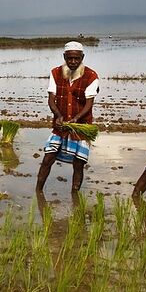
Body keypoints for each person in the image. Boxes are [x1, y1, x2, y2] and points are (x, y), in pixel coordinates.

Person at [36, 40, 99, 193]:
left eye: (76, 58)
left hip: (81, 126)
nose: (73, 62)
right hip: (60, 125)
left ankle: (75, 195)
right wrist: (57, 115)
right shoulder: (56, 73)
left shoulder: (91, 76)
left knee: (78, 164)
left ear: (82, 57)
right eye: (69, 58)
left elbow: (89, 103)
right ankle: (38, 192)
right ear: (64, 56)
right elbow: (51, 99)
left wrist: (76, 119)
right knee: (47, 159)